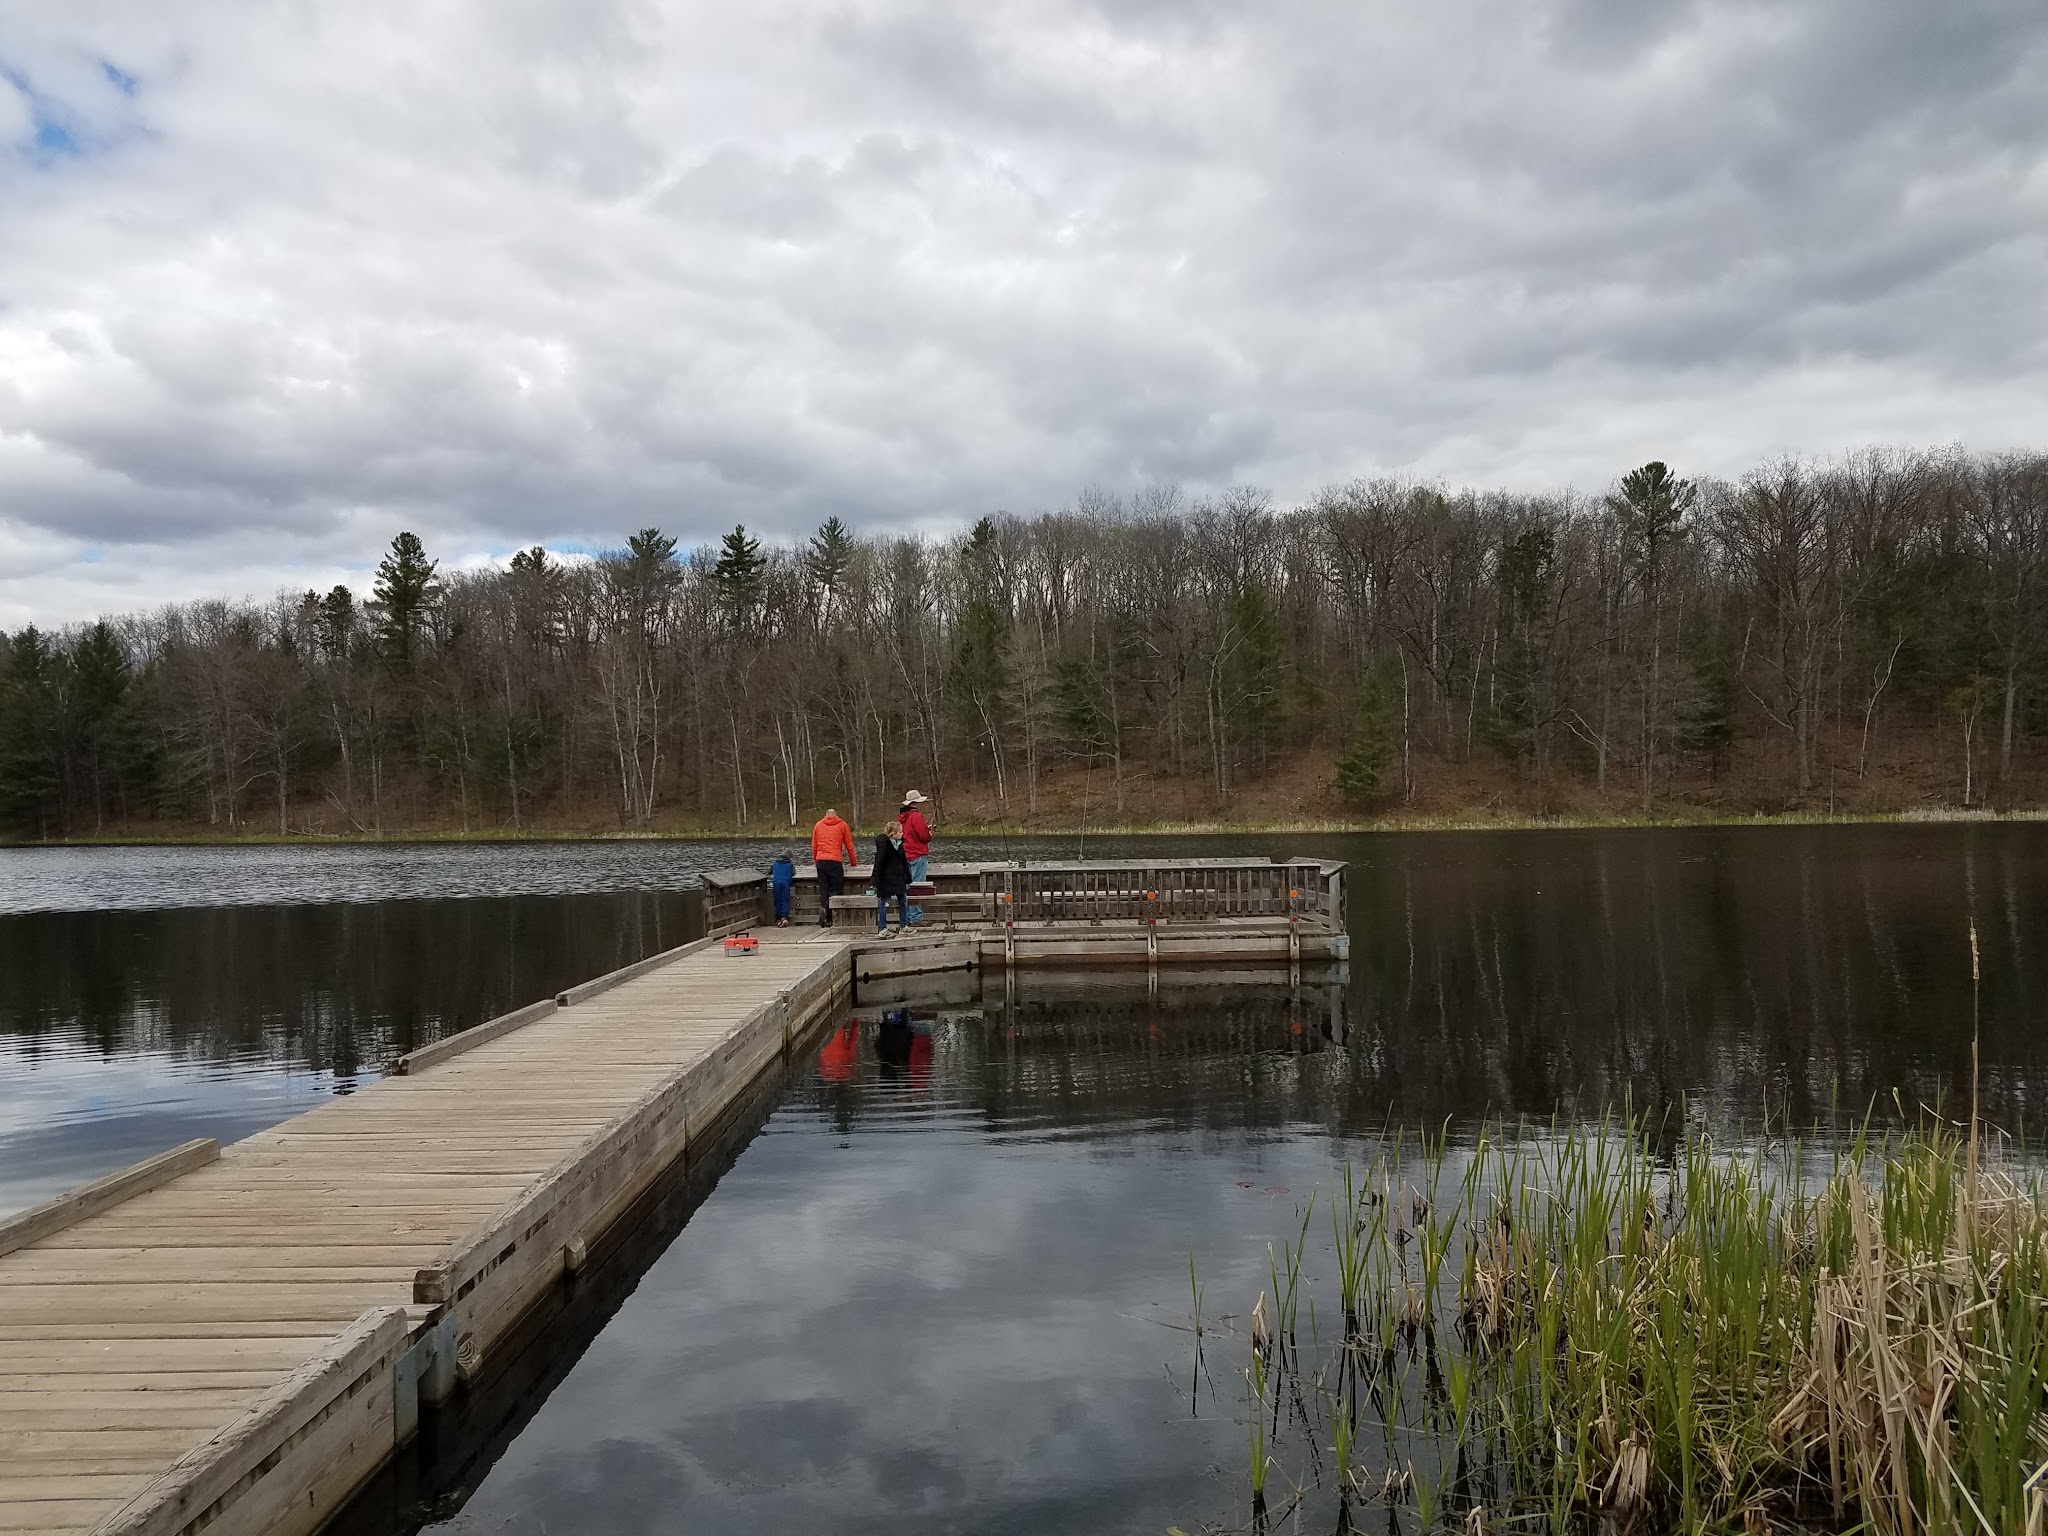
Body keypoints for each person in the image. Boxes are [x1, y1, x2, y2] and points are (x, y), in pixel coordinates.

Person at [810, 808, 858, 927]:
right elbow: (849, 845)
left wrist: (816, 861)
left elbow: (814, 846)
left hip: (821, 861)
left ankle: (826, 915)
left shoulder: (818, 825)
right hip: (835, 861)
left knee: (824, 889)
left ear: (825, 815)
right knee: (836, 889)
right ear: (836, 815)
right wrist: (853, 862)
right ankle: (830, 913)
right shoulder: (842, 825)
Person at [872, 818, 912, 936]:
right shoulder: (884, 846)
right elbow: (878, 863)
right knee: (885, 903)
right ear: (893, 834)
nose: (902, 834)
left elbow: (904, 862)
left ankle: (904, 925)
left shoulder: (900, 845)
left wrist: (908, 877)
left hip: (899, 878)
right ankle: (883, 928)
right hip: (886, 880)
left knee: (903, 902)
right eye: (900, 832)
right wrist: (875, 879)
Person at [898, 789, 932, 924]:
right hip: (918, 854)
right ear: (916, 803)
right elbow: (923, 837)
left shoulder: (902, 817)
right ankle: (916, 918)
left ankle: (906, 917)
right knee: (917, 886)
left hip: (906, 855)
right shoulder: (916, 816)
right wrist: (929, 833)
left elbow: (908, 834)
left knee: (908, 887)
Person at [770, 851, 795, 926]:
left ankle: (778, 919)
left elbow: (770, 871)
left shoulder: (775, 863)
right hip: (785, 883)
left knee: (777, 901)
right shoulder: (790, 864)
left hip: (776, 883)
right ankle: (784, 918)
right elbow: (793, 873)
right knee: (785, 900)